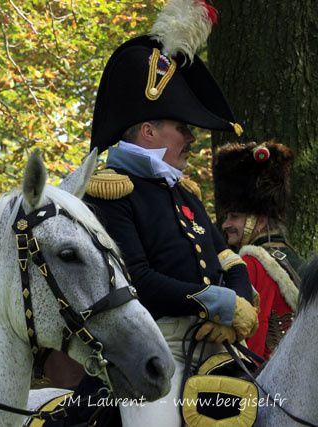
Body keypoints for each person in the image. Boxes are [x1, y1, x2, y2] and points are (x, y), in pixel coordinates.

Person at [37, 1, 261, 426]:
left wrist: (238, 297)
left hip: (216, 344)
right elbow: (135, 277)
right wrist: (208, 301)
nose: (191, 138)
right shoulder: (109, 193)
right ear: (148, 131)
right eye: (182, 127)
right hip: (155, 350)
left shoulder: (184, 193)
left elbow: (225, 256)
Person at [214, 141, 303, 360]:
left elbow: (251, 341)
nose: (225, 225)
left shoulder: (251, 264)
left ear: (260, 221)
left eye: (234, 216)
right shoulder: (294, 258)